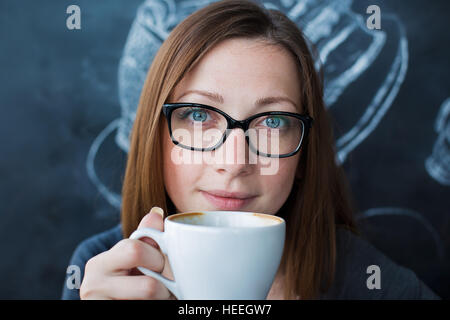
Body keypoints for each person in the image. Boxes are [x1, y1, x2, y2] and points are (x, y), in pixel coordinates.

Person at [62, 0, 439, 300]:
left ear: (305, 155)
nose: (234, 163)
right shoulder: (105, 271)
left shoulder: (366, 281)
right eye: (198, 115)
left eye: (272, 122)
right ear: (154, 138)